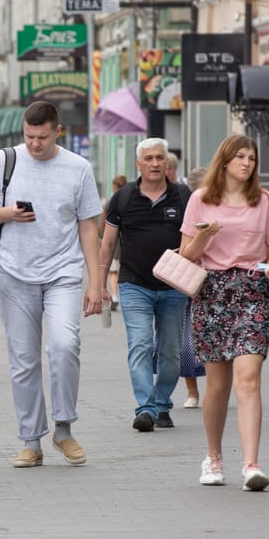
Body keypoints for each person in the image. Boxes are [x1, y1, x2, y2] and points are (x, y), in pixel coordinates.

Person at [0, 100, 104, 469]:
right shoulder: (4, 161)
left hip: (62, 272)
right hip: (13, 272)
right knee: (23, 360)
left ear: (57, 131)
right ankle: (31, 440)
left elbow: (88, 226)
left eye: (42, 137)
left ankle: (63, 429)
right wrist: (9, 214)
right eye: (29, 137)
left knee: (64, 344)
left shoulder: (78, 168)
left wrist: (96, 282)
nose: (34, 144)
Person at [178, 135, 269, 491]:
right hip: (212, 292)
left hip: (252, 291)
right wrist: (205, 237)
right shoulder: (200, 200)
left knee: (249, 377)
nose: (247, 163)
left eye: (251, 158)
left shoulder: (265, 201)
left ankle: (251, 464)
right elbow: (186, 255)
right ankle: (213, 456)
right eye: (240, 157)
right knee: (218, 385)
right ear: (224, 161)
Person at [99, 139, 192, 432]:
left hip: (174, 286)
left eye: (159, 158)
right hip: (134, 284)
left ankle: (162, 402)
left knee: (170, 352)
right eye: (148, 158)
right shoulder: (123, 197)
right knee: (139, 344)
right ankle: (146, 409)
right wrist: (100, 284)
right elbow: (108, 242)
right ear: (138, 164)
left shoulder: (183, 196)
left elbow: (198, 238)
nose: (154, 163)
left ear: (168, 163)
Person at [179, 167, 208, 408]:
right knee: (188, 338)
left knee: (217, 338)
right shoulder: (187, 207)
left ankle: (217, 387)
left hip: (216, 280)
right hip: (188, 279)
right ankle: (192, 391)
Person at [105, 174, 128, 308]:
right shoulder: (130, 198)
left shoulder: (112, 201)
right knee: (122, 271)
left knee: (113, 271)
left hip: (114, 242)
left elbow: (104, 223)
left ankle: (114, 294)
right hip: (126, 242)